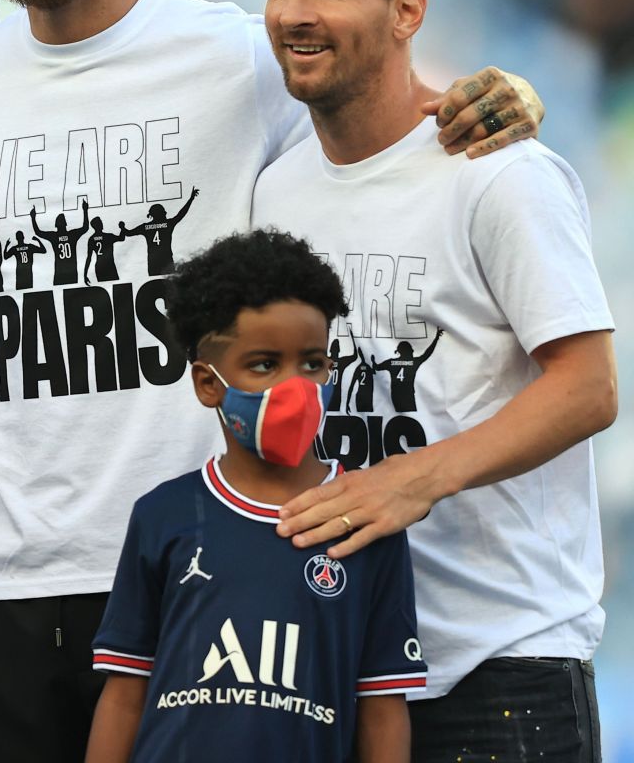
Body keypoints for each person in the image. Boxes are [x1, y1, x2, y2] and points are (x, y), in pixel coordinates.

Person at [0, 0, 546, 762]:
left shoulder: (231, 57)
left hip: (204, 559)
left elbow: (383, 105)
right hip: (6, 578)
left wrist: (495, 93)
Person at [250, 0, 617, 761]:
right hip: (344, 671)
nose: (297, 12)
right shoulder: (278, 188)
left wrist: (413, 479)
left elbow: (589, 387)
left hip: (504, 674)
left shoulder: (497, 170)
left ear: (408, 6)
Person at [86, 229, 425, 763]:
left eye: (312, 363)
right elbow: (125, 694)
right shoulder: (163, 515)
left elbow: (382, 707)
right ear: (207, 383)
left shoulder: (365, 517)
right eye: (265, 364)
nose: (296, 386)